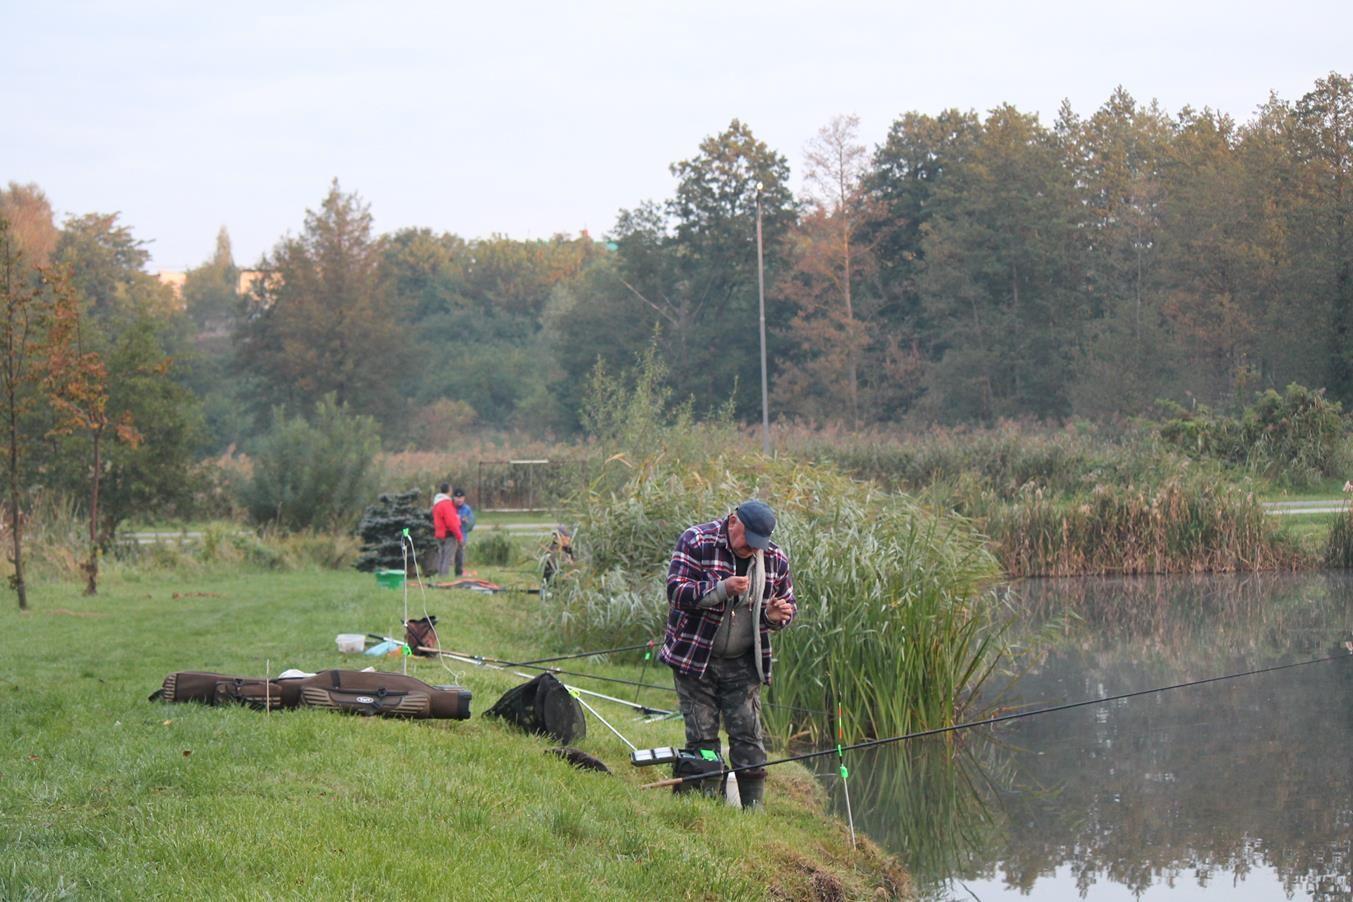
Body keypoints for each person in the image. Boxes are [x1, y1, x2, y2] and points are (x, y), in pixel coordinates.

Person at [659, 499, 796, 809]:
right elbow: (676, 591)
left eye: (758, 543)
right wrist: (721, 589)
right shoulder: (696, 540)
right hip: (695, 660)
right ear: (734, 521)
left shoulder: (774, 558)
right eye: (748, 541)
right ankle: (706, 804)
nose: (752, 549)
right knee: (702, 738)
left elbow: (787, 605)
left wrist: (775, 616)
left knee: (748, 736)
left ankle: (752, 809)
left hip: (744, 663)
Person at [431, 483, 463, 577]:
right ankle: (444, 576)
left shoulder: (437, 504)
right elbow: (451, 522)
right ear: (449, 490)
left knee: (441, 555)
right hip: (448, 534)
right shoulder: (447, 504)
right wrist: (459, 537)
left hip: (439, 534)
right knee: (447, 557)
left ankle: (440, 574)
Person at [452, 488, 475, 577]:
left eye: (461, 497)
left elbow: (471, 523)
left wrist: (466, 521)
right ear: (453, 498)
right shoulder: (450, 507)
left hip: (462, 535)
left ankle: (459, 572)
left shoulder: (467, 509)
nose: (459, 500)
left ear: (464, 498)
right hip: (451, 535)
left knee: (460, 554)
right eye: (457, 498)